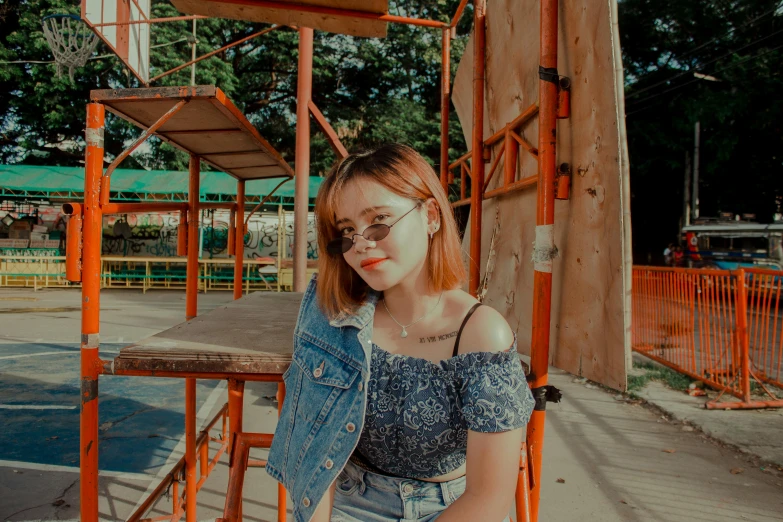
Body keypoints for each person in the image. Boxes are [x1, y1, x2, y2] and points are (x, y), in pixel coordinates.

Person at [266, 144, 535, 522]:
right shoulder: (335, 314)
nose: (361, 242)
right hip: (349, 499)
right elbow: (313, 448)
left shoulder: (481, 334)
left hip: (451, 508)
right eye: (346, 230)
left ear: (430, 216)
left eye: (378, 220)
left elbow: (488, 497)